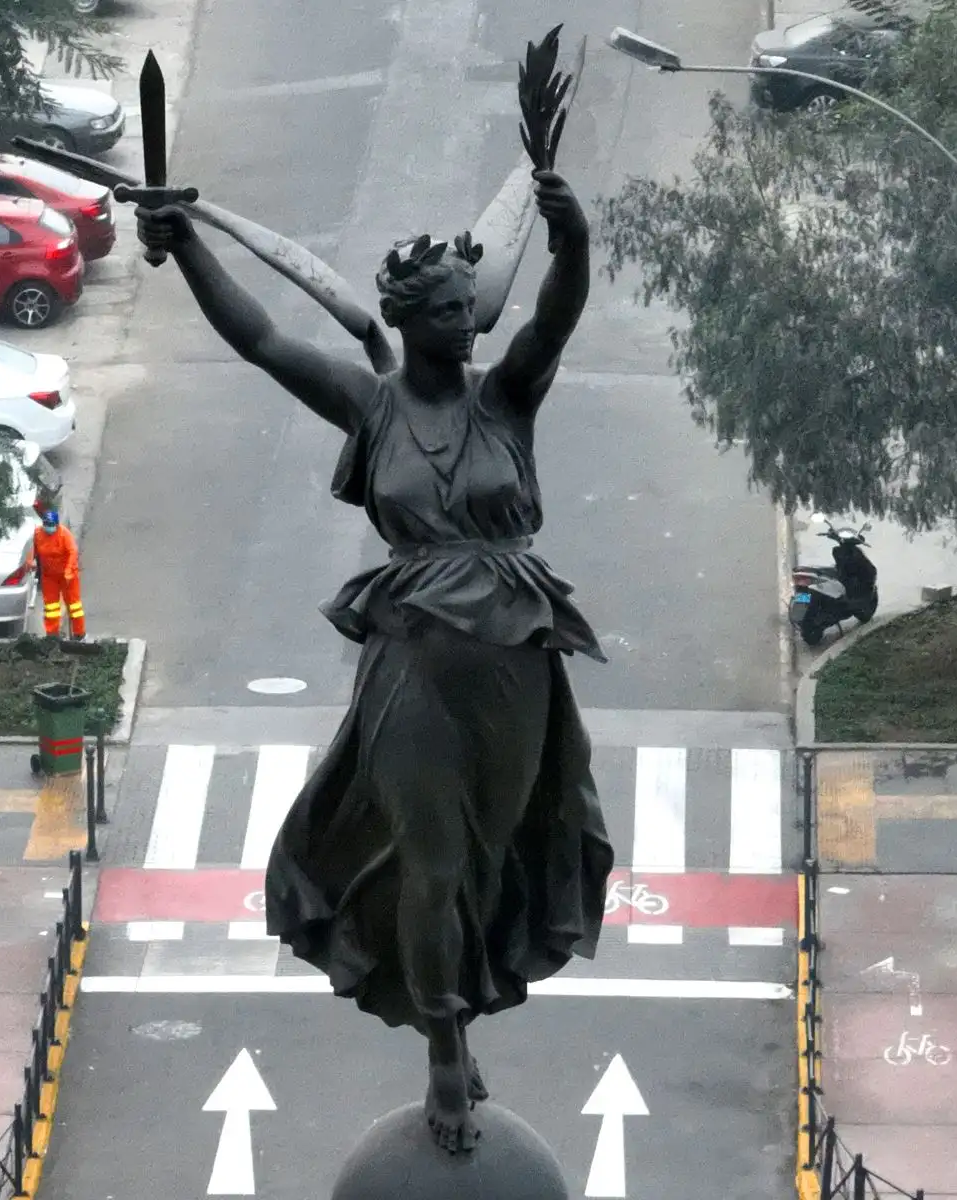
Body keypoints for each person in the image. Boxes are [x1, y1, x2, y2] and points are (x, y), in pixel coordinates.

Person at [136, 170, 613, 1155]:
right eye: (445, 313)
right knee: (431, 861)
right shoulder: (371, 405)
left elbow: (554, 319)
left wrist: (572, 239)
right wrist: (185, 246)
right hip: (412, 675)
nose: (465, 325)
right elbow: (263, 340)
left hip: (511, 676)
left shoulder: (507, 398)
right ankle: (443, 1044)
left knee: (488, 859)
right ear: (406, 320)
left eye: (468, 308)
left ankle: (461, 1008)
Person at [31, 509, 85, 640]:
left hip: (67, 576)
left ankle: (79, 633)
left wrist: (69, 570)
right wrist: (31, 560)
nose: (48, 527)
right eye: (46, 524)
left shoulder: (64, 535)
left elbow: (72, 552)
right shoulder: (38, 534)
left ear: (56, 524)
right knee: (51, 607)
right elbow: (33, 549)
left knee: (74, 606)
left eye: (51, 524)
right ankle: (52, 635)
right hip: (49, 576)